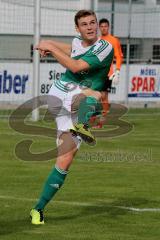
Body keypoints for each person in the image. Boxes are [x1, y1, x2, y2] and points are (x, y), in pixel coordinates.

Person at [30, 10, 113, 225]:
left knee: (65, 160)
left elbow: (75, 64)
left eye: (92, 22)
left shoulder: (104, 46)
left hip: (70, 100)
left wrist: (49, 47)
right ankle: (83, 125)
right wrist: (47, 44)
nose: (90, 27)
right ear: (77, 29)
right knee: (95, 94)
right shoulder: (78, 41)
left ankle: (37, 209)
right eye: (84, 24)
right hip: (62, 94)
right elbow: (62, 49)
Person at [92, 18, 123, 128]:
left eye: (106, 26)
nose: (104, 28)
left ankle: (101, 122)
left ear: (108, 27)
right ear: (99, 28)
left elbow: (119, 56)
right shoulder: (96, 40)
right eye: (102, 26)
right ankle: (92, 119)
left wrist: (117, 71)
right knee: (94, 97)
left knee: (104, 96)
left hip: (107, 74)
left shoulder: (114, 40)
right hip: (94, 74)